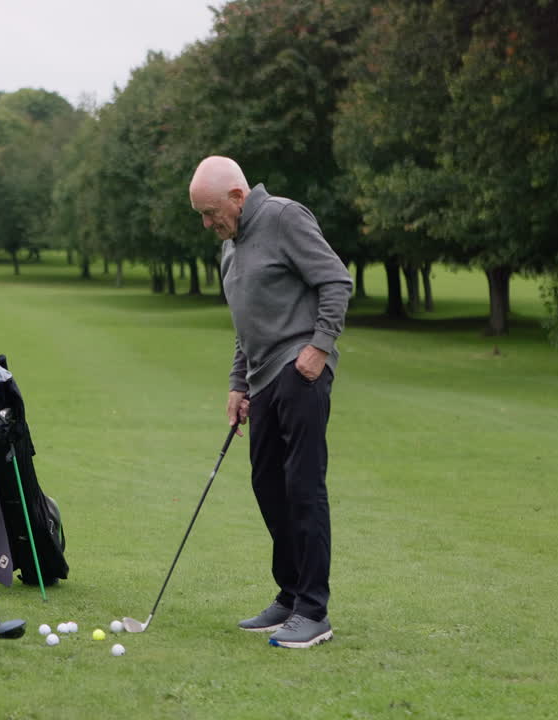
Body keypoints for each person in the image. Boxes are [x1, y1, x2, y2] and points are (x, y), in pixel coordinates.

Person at [188, 156, 352, 649]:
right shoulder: (229, 250)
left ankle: (314, 611)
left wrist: (319, 347)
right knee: (268, 487)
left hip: (300, 374)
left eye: (211, 211)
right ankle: (289, 594)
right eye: (200, 214)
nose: (207, 223)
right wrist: (239, 384)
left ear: (238, 196)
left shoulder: (284, 217)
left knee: (303, 488)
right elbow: (247, 327)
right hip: (262, 382)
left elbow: (336, 281)